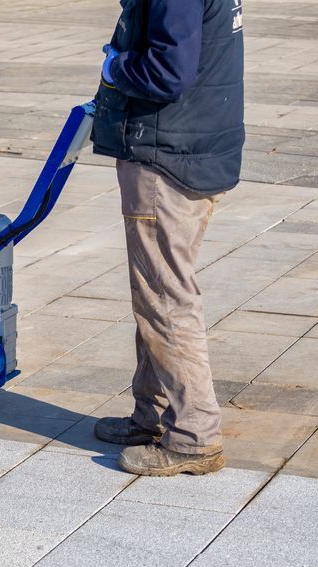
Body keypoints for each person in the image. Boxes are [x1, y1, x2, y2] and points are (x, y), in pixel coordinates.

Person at [90, 0, 245, 476]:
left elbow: (167, 72)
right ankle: (152, 413)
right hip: (195, 146)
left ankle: (194, 435)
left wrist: (115, 66)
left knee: (165, 298)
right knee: (157, 292)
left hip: (166, 154)